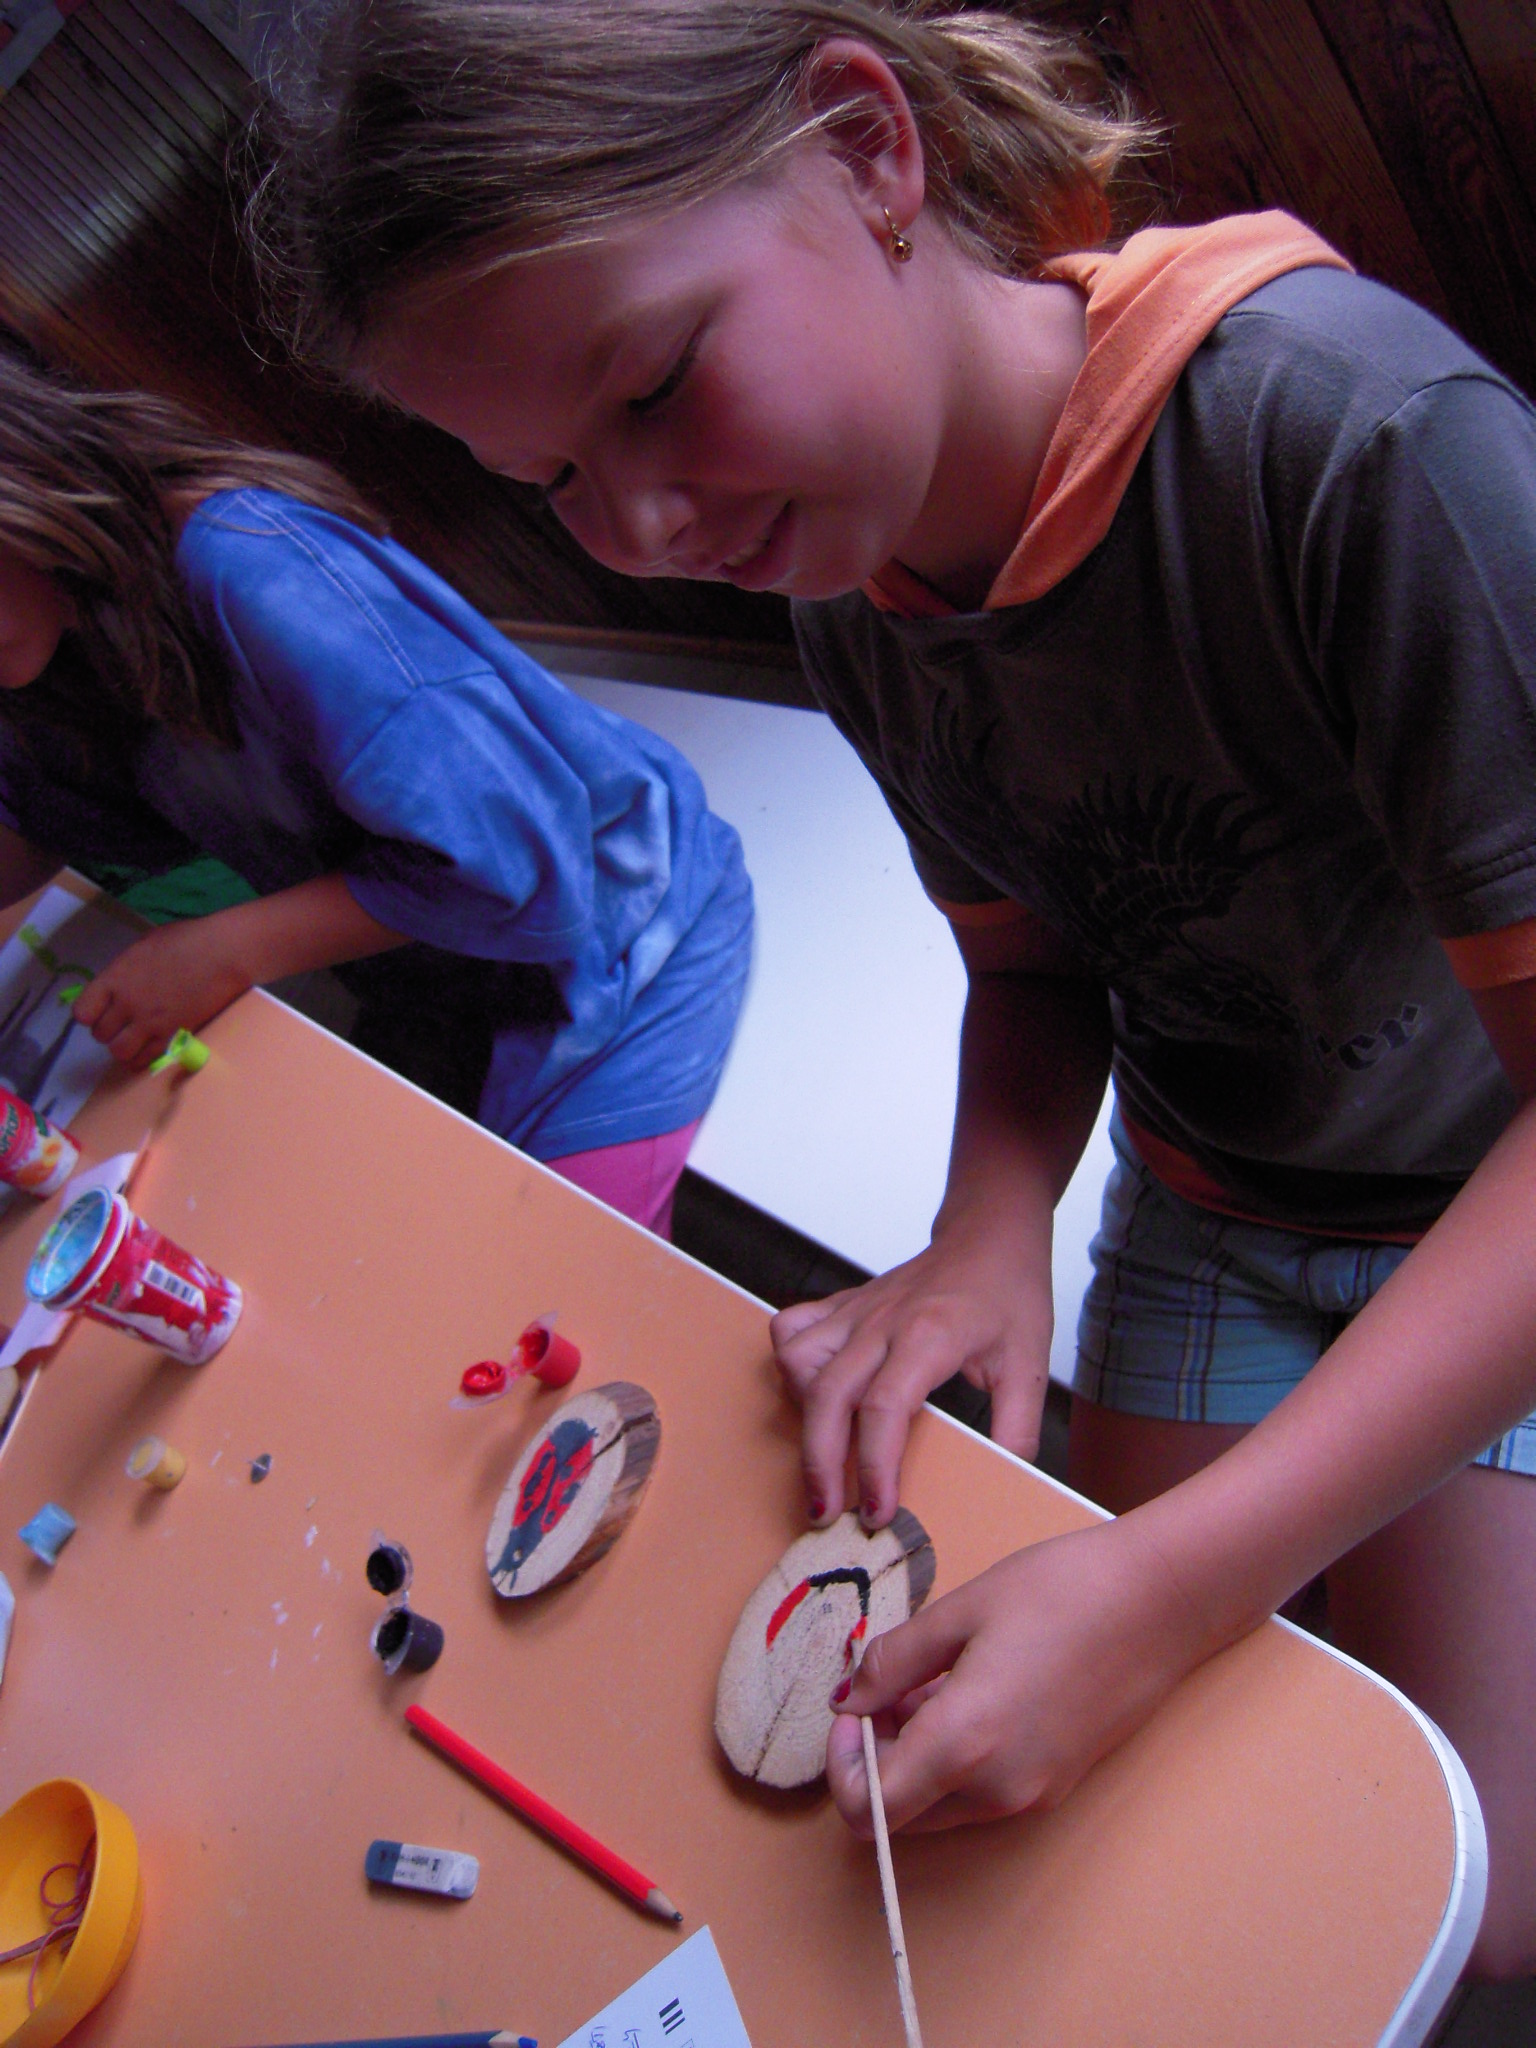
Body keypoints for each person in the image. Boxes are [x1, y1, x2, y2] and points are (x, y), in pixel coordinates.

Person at [251, 0, 1536, 1974]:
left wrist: (1174, 1585)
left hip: (1476, 1198)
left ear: (867, 148)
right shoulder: (855, 587)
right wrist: (985, 1224)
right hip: (1217, 1194)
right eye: (555, 477)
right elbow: (1036, 955)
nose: (646, 530)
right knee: (1093, 1777)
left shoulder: (1351, 441)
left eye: (658, 386)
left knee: (1471, 1892)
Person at [0, 354, 753, 1235]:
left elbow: (518, 867)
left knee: (535, 1271)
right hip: (445, 982)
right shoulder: (50, 637)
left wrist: (228, 949)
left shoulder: (254, 569)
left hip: (621, 944)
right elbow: (55, 810)